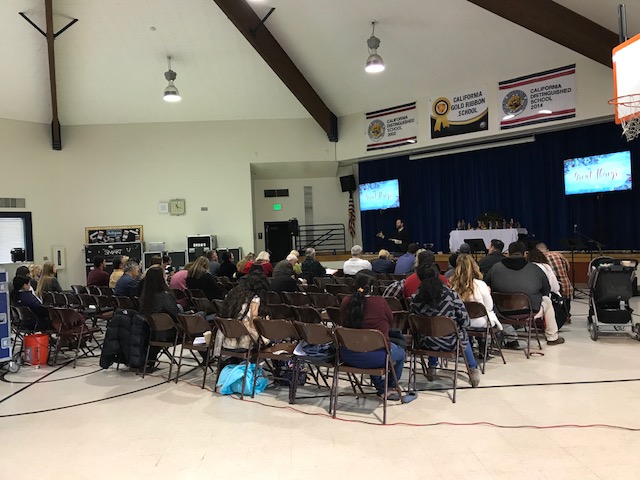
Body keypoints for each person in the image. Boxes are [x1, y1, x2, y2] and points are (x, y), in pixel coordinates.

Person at [409, 262, 481, 387]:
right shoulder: (451, 295)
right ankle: (473, 369)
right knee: (462, 333)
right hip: (451, 342)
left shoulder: (415, 299)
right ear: (438, 274)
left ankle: (432, 367)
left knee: (431, 328)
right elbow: (465, 321)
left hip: (424, 343)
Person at [339, 270, 405, 400]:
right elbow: (390, 321)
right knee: (401, 353)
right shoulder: (380, 302)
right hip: (377, 357)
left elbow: (342, 322)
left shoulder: (346, 301)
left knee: (373, 347)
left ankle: (381, 386)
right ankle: (389, 387)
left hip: (347, 355)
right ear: (372, 287)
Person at [485, 241, 564, 345]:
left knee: (491, 304)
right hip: (530, 311)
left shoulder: (495, 268)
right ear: (525, 253)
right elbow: (546, 290)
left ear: (508, 253)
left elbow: (486, 286)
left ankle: (510, 337)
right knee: (547, 300)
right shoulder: (535, 268)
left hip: (502, 311)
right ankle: (552, 337)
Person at [138, 267, 180, 369]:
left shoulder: (145, 297)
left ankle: (150, 361)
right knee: (196, 325)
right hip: (169, 333)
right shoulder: (164, 296)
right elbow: (176, 314)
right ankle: (207, 358)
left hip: (152, 332)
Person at [217, 271, 269, 350]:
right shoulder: (255, 300)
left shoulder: (233, 293)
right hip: (244, 341)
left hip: (227, 338)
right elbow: (253, 323)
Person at [537, 242, 573, 321]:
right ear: (547, 250)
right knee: (566, 297)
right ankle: (566, 315)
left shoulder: (538, 260)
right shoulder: (558, 255)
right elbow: (567, 268)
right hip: (565, 287)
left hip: (551, 292)